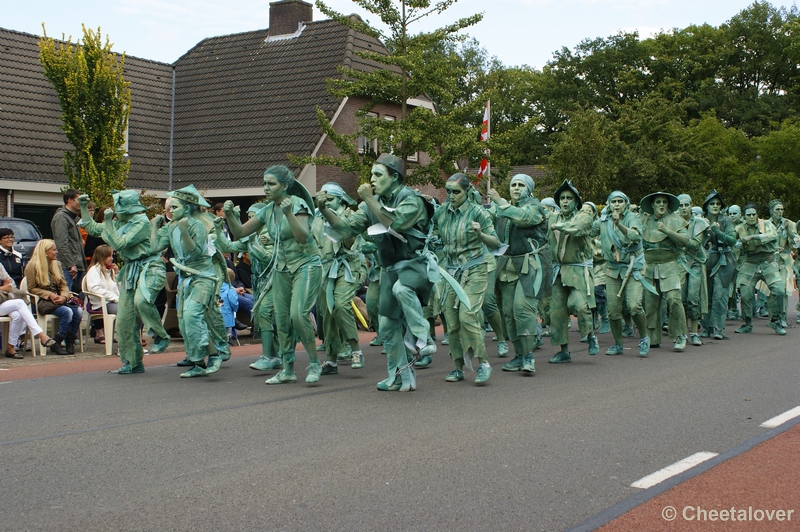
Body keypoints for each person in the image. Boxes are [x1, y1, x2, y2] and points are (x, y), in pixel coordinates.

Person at [318, 153, 435, 392]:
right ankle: (400, 376)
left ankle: (424, 338)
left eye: (378, 174)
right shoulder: (370, 202)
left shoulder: (412, 200)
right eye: (372, 174)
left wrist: (370, 200)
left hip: (416, 265)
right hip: (390, 269)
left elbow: (397, 225)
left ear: (395, 177)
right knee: (387, 326)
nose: (372, 179)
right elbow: (346, 229)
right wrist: (324, 210)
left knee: (401, 289)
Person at [225, 166, 323, 385]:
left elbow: (303, 236)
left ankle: (315, 363)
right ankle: (288, 369)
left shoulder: (297, 205)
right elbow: (240, 232)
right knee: (281, 319)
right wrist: (231, 216)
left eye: (271, 184)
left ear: (285, 186)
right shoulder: (268, 210)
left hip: (306, 264)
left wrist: (289, 214)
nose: (266, 188)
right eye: (265, 183)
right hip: (281, 268)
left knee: (298, 315)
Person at [79, 191, 172, 375]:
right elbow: (92, 228)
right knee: (124, 320)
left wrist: (107, 223)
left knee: (141, 301)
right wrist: (83, 207)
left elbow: (120, 244)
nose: (116, 212)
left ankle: (160, 335)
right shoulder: (119, 223)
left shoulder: (142, 222)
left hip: (150, 268)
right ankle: (133, 361)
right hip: (131, 271)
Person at [151, 187, 228, 377]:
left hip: (203, 277)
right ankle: (198, 363)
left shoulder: (197, 225)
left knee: (194, 316)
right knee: (185, 322)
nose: (171, 211)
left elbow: (196, 252)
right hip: (185, 279)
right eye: (171, 207)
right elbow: (154, 248)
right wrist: (154, 226)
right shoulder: (169, 227)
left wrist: (184, 232)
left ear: (186, 208)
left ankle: (214, 354)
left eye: (175, 207)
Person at [431, 173, 499, 384]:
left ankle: (484, 364)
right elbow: (431, 233)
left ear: (467, 192)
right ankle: (458, 367)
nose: (450, 196)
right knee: (450, 321)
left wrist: (480, 235)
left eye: (456, 192)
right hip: (451, 272)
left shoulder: (478, 213)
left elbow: (495, 242)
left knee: (467, 316)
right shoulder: (441, 212)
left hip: (475, 269)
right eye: (448, 191)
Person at [489, 174, 550, 374]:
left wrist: (499, 201)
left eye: (521, 185)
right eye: (513, 184)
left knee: (522, 311)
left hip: (531, 265)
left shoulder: (534, 206)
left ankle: (529, 357)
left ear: (529, 189)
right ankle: (518, 356)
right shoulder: (500, 210)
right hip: (507, 266)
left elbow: (524, 218)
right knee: (508, 314)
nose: (516, 188)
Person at [312, 182, 367, 375]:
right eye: (324, 200)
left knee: (341, 303)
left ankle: (356, 350)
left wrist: (325, 210)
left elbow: (348, 237)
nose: (327, 203)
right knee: (327, 313)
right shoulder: (316, 218)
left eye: (331, 199)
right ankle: (331, 360)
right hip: (324, 269)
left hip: (347, 267)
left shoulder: (351, 216)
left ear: (341, 199)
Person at [547, 180, 598, 364]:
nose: (565, 201)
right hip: (557, 270)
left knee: (579, 305)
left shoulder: (583, 217)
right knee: (557, 312)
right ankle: (563, 351)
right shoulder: (552, 218)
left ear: (577, 202)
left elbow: (576, 229)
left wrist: (560, 227)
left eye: (569, 198)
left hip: (577, 270)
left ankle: (590, 335)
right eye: (562, 198)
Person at [599, 191, 653, 357]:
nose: (616, 205)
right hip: (612, 269)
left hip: (632, 268)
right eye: (613, 201)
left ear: (626, 204)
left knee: (634, 306)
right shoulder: (603, 220)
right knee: (613, 310)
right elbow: (587, 230)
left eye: (620, 201)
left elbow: (635, 236)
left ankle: (644, 338)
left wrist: (620, 225)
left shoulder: (632, 217)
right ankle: (618, 344)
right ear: (608, 204)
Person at [640, 192, 689, 351]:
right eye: (658, 202)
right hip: (649, 266)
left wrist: (667, 230)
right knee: (650, 304)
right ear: (652, 205)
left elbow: (685, 242)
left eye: (664, 202)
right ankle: (652, 337)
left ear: (668, 205)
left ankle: (680, 335)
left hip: (670, 264)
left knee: (674, 300)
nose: (661, 205)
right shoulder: (644, 221)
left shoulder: (676, 220)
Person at [734, 204, 787, 335]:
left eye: (753, 214)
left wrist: (752, 237)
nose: (751, 217)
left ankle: (775, 320)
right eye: (748, 215)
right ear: (744, 216)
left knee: (779, 289)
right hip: (750, 261)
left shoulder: (766, 224)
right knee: (745, 292)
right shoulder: (739, 228)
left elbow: (772, 235)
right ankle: (747, 323)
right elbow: (732, 241)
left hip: (767, 261)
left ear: (757, 214)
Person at [24, 239, 82, 354]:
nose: (56, 252)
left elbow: (63, 284)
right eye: (54, 250)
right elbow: (31, 288)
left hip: (59, 299)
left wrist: (64, 296)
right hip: (43, 301)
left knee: (79, 311)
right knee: (67, 312)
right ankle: (57, 342)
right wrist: (49, 294)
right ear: (45, 252)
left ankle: (69, 341)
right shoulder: (32, 266)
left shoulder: (57, 264)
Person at [0, 263, 61, 358]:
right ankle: (41, 335)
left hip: (3, 301)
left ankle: (10, 347)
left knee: (17, 316)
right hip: (3, 301)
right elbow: (7, 287)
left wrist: (6, 287)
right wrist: (3, 287)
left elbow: (11, 284)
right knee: (20, 303)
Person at [700, 190, 736, 340]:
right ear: (706, 206)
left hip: (724, 260)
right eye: (712, 203)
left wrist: (717, 232)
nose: (715, 206)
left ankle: (719, 328)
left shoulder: (726, 221)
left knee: (720, 294)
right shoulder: (701, 220)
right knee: (705, 294)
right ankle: (705, 327)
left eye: (717, 204)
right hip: (707, 259)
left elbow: (732, 240)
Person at [677, 194, 708, 346]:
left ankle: (695, 332)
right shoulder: (673, 222)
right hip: (679, 263)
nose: (683, 208)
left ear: (691, 205)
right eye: (680, 205)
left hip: (695, 262)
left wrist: (675, 238)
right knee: (680, 300)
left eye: (686, 205)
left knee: (693, 298)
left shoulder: (699, 222)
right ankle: (682, 333)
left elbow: (695, 244)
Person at [763, 199, 798, 328]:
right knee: (772, 290)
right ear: (771, 211)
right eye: (777, 209)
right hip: (769, 259)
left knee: (783, 289)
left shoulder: (789, 224)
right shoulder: (765, 224)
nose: (780, 212)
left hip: (784, 260)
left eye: (782, 209)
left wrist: (789, 230)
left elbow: (796, 244)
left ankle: (782, 317)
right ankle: (774, 317)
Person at [51, 188, 87, 292]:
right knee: (67, 295)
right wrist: (71, 264)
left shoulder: (74, 218)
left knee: (78, 298)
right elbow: (61, 243)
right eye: (79, 200)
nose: (81, 203)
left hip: (78, 265)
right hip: (68, 268)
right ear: (70, 200)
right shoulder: (61, 217)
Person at [84, 244, 119, 344]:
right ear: (102, 257)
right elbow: (94, 288)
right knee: (125, 312)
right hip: (101, 304)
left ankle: (135, 336)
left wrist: (117, 274)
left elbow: (119, 289)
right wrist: (115, 298)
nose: (112, 258)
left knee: (135, 309)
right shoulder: (94, 270)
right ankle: (127, 338)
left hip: (113, 301)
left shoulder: (110, 270)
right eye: (110, 256)